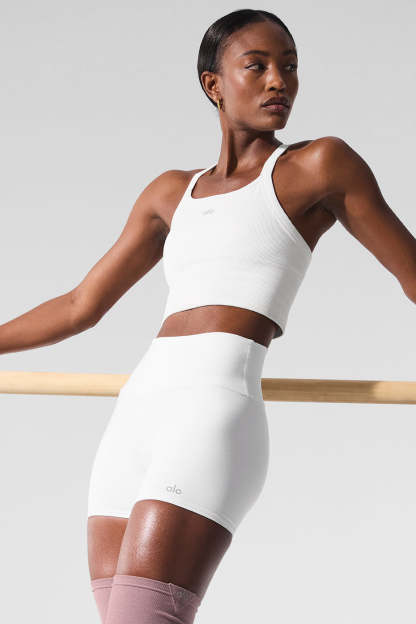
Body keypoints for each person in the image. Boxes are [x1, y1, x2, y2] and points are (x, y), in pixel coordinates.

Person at [2, 9, 416, 624]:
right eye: (257, 65)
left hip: (211, 412)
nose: (279, 81)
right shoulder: (170, 193)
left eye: (290, 67)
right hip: (137, 415)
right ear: (213, 84)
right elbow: (78, 306)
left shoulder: (318, 167)